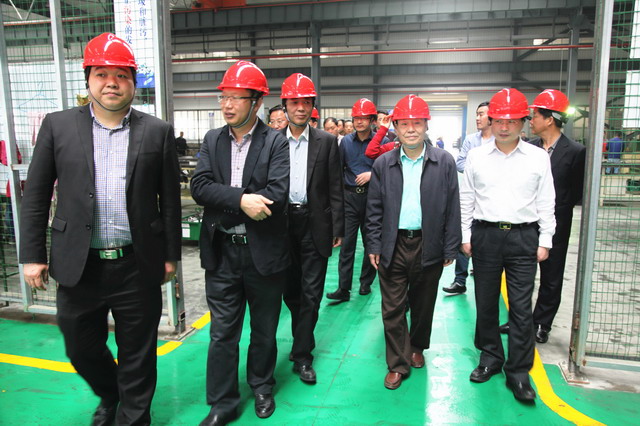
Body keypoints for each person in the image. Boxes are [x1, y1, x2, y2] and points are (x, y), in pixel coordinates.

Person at [19, 33, 181, 425]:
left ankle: (133, 417)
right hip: (80, 265)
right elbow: (36, 194)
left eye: (122, 75)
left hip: (136, 263)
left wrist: (171, 255)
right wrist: (32, 256)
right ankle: (111, 394)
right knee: (80, 347)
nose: (112, 83)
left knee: (138, 352)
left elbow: (170, 200)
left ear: (133, 83)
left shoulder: (156, 131)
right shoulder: (58, 126)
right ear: (88, 79)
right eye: (102, 74)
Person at [190, 60, 290, 425]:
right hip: (222, 251)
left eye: (237, 97)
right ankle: (223, 402)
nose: (228, 104)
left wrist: (226, 198)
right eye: (224, 97)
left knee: (264, 329)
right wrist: (242, 199)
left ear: (257, 101)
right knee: (222, 332)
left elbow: (276, 193)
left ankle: (262, 386)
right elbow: (199, 187)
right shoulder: (212, 140)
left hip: (264, 253)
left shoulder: (275, 141)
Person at [460, 88, 555, 402]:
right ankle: (490, 357)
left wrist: (545, 239)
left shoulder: (538, 157)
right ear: (491, 120)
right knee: (486, 301)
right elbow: (467, 198)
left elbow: (546, 201)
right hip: (485, 235)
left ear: (523, 122)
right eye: (499, 120)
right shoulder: (476, 156)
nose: (504, 127)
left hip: (523, 237)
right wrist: (466, 235)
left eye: (512, 121)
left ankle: (519, 372)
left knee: (521, 307)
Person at [366, 94, 460, 390]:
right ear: (394, 127)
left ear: (426, 125)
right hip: (393, 243)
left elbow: (453, 205)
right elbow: (374, 209)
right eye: (404, 123)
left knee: (423, 302)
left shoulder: (443, 161)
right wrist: (374, 245)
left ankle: (417, 346)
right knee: (392, 307)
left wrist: (450, 246)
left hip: (428, 243)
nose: (410, 129)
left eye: (417, 123)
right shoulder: (383, 164)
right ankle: (397, 363)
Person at [499, 89, 585, 344]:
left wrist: (556, 209)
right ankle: (519, 320)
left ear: (550, 119)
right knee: (519, 275)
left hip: (557, 223)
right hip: (525, 222)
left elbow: (576, 191)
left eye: (535, 115)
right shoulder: (528, 148)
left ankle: (541, 324)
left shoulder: (575, 151)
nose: (531, 120)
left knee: (551, 275)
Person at [279, 73, 344, 384]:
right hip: (281, 226)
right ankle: (302, 337)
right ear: (285, 105)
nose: (300, 108)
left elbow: (335, 187)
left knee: (312, 293)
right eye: (294, 102)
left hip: (315, 223)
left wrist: (338, 227)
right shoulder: (272, 141)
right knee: (291, 292)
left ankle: (303, 354)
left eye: (306, 102)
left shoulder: (326, 142)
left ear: (312, 106)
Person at [326, 98, 389, 301]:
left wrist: (372, 174)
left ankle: (365, 283)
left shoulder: (381, 141)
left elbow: (389, 172)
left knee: (371, 242)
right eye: (356, 118)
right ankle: (343, 288)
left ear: (372, 120)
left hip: (373, 198)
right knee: (347, 245)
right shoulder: (345, 142)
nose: (359, 121)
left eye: (364, 118)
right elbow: (338, 169)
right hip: (350, 198)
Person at [442, 101, 493, 295]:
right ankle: (459, 280)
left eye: (482, 114)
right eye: (477, 114)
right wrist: (479, 170)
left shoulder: (500, 140)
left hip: (490, 200)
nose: (478, 118)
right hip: (470, 196)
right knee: (464, 236)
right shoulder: (471, 140)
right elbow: (460, 162)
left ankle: (482, 275)